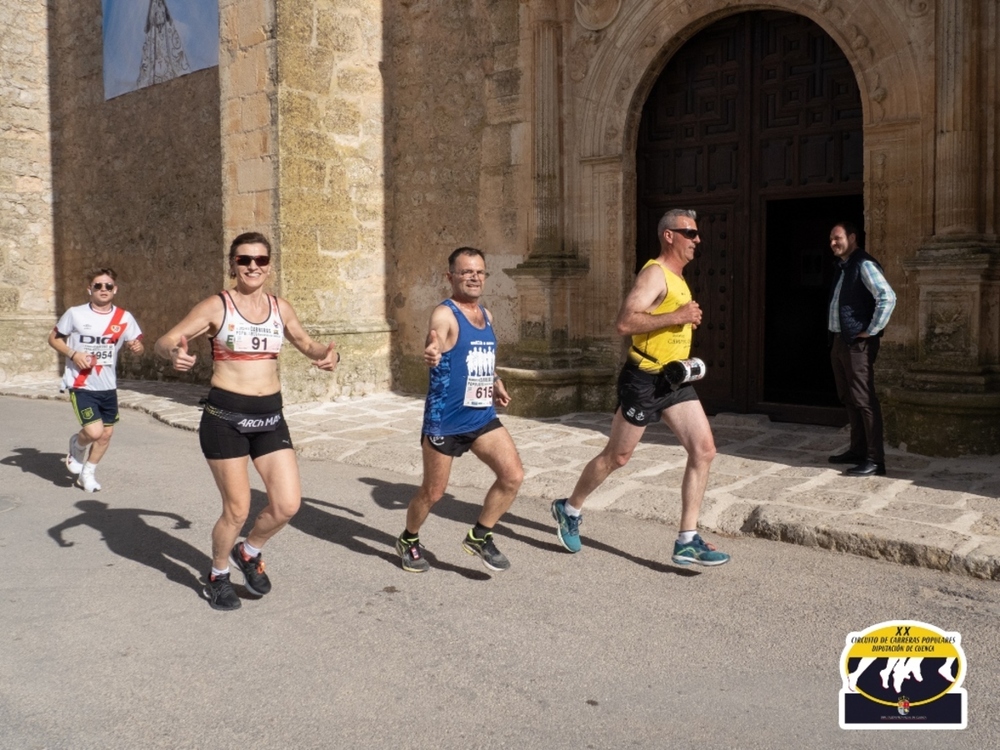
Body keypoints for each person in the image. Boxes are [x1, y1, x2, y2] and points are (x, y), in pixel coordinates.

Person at [154, 232, 339, 611]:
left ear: (270, 266)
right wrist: (173, 352)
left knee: (287, 505)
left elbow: (305, 342)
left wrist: (326, 354)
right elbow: (166, 339)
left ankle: (249, 551)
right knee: (237, 509)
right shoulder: (216, 306)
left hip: (270, 417)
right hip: (225, 419)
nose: (253, 266)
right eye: (244, 260)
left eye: (260, 260)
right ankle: (217, 574)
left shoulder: (279, 307)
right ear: (232, 265)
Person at [550, 209, 730, 566]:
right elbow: (624, 321)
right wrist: (678, 316)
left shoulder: (678, 277)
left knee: (704, 450)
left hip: (674, 380)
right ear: (669, 236)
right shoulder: (655, 274)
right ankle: (569, 508)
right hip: (643, 380)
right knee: (617, 456)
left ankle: (687, 539)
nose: (697, 240)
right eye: (689, 233)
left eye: (697, 234)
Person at [395, 247, 524, 573]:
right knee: (433, 492)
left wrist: (495, 381)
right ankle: (409, 538)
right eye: (466, 272)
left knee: (513, 476)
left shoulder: (487, 315)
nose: (474, 277)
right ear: (450, 277)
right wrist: (432, 349)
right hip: (446, 420)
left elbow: (481, 358)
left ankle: (480, 536)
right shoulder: (446, 314)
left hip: (481, 416)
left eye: (479, 272)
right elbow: (435, 338)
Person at [47, 268, 144, 493]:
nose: (103, 289)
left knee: (106, 434)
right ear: (89, 289)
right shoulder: (75, 313)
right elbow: (53, 338)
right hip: (81, 382)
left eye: (108, 286)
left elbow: (137, 346)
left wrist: (137, 347)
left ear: (115, 290)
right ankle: (77, 445)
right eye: (98, 285)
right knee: (93, 432)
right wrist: (74, 354)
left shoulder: (124, 317)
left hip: (108, 385)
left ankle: (87, 474)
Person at [826, 221, 896, 476]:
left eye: (838, 238)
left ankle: (876, 460)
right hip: (841, 340)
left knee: (864, 399)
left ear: (852, 237)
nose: (833, 243)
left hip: (857, 343)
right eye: (831, 239)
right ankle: (857, 450)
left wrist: (872, 329)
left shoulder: (863, 264)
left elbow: (887, 297)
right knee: (848, 396)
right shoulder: (843, 267)